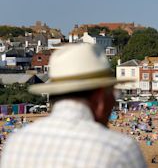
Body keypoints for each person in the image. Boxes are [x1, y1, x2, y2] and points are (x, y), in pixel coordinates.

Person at [1, 44, 147, 168]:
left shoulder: (15, 143)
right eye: (113, 95)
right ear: (100, 99)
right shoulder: (119, 149)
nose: (114, 102)